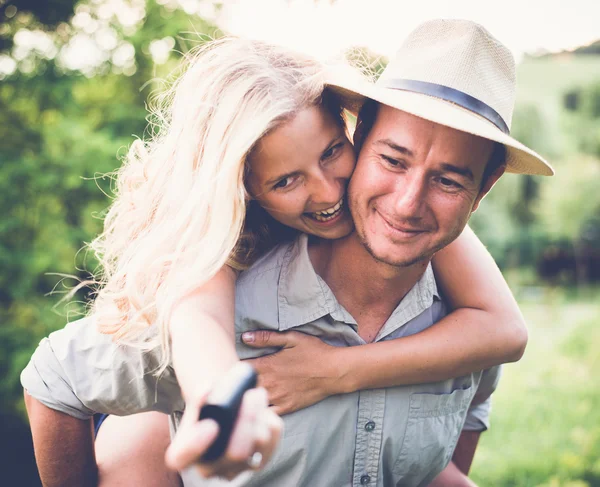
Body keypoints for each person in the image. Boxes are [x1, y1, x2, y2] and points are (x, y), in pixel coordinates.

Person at [20, 22, 549, 487]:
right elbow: (194, 323)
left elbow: (501, 336)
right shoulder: (224, 254)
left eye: (449, 181)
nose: (325, 192)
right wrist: (217, 397)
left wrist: (340, 371)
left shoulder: (444, 286)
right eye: (286, 180)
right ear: (247, 190)